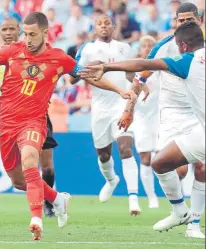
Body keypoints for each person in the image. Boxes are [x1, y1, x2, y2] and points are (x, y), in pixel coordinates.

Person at [0, 12, 136, 241]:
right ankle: (58, 199)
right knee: (18, 181)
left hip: (34, 122)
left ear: (45, 33)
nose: (28, 39)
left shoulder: (59, 58)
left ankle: (36, 219)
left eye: (32, 34)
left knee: (30, 162)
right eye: (25, 34)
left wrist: (119, 90)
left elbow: (88, 76)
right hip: (7, 123)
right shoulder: (11, 51)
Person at [79, 21, 205, 236]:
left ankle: (183, 214)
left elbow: (142, 66)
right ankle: (181, 212)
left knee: (163, 164)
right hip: (197, 130)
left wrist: (107, 67)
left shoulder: (188, 61)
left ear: (183, 45)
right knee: (161, 163)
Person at [0, 16, 58, 218]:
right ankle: (53, 199)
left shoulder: (32, 52)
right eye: (4, 29)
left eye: (12, 29)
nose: (8, 33)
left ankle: (48, 204)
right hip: (11, 117)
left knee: (46, 165)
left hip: (37, 115)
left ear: (20, 30)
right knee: (20, 176)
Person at [73, 14, 141, 215]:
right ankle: (111, 180)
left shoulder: (124, 48)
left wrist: (139, 87)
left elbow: (132, 74)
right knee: (103, 155)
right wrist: (87, 67)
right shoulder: (87, 49)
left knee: (126, 149)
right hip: (100, 108)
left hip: (121, 105)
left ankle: (133, 199)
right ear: (94, 28)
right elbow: (72, 78)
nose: (104, 27)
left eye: (107, 24)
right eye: (99, 24)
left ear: (113, 26)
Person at [134, 35, 160, 208]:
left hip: (160, 119)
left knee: (163, 156)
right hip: (142, 119)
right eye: (145, 45)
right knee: (145, 158)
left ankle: (172, 193)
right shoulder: (134, 72)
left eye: (152, 45)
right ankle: (152, 197)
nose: (148, 47)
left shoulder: (161, 68)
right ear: (140, 49)